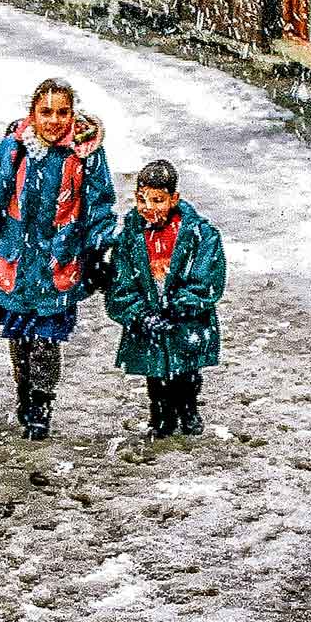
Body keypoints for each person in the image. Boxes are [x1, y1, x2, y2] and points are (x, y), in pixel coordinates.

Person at [0, 77, 118, 440]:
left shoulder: (85, 154)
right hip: (14, 259)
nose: (54, 120)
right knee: (19, 337)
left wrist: (98, 251)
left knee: (46, 338)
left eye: (62, 112)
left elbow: (100, 205)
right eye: (45, 112)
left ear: (73, 113)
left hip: (58, 259)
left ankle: (40, 404)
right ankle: (24, 390)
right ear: (32, 113)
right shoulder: (13, 149)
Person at [104, 159, 226, 439]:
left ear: (174, 199)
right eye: (142, 199)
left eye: (158, 200)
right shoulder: (129, 239)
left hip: (186, 322)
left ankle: (188, 409)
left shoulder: (201, 234)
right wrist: (139, 314)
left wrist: (181, 305)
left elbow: (207, 278)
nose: (150, 208)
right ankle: (161, 416)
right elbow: (120, 284)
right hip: (150, 320)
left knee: (187, 371)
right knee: (155, 373)